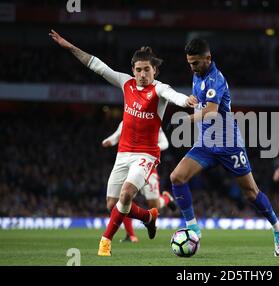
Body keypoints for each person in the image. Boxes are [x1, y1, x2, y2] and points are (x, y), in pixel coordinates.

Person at [49, 30, 197, 256]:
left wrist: (186, 100)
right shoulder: (126, 83)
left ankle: (105, 242)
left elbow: (175, 95)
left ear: (154, 70)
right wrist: (69, 46)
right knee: (112, 204)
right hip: (123, 153)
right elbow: (96, 65)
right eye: (138, 70)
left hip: (146, 155)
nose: (142, 74)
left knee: (126, 194)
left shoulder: (159, 89)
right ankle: (148, 217)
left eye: (147, 69)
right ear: (133, 71)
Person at [169, 38, 279, 256]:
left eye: (195, 63)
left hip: (228, 144)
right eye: (189, 63)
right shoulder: (198, 75)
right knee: (177, 177)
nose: (192, 67)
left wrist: (187, 120)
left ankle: (278, 229)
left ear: (208, 58)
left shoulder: (216, 79)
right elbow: (203, 103)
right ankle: (193, 227)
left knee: (251, 193)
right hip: (206, 142)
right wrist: (193, 102)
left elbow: (212, 111)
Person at [102, 123, 177, 243]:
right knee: (124, 200)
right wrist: (109, 141)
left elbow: (165, 143)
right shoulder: (127, 119)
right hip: (129, 167)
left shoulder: (153, 122)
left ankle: (166, 199)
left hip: (148, 168)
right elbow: (116, 136)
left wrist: (149, 147)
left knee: (154, 205)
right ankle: (131, 235)